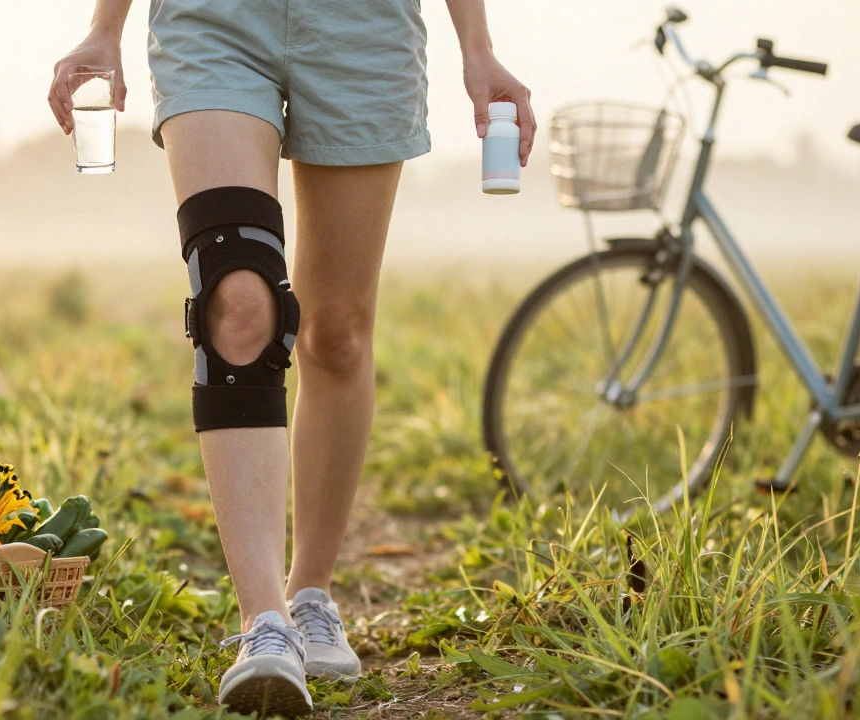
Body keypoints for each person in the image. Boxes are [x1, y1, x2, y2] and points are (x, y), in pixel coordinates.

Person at [49, 1, 534, 715]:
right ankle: (264, 623)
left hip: (363, 30)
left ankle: (311, 596)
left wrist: (478, 47)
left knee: (336, 331)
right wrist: (105, 27)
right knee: (237, 302)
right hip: (214, 22)